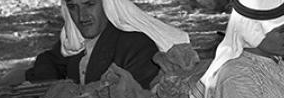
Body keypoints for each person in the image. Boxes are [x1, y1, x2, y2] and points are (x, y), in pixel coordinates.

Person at [25, 0, 191, 90]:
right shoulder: (76, 42)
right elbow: (49, 61)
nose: (82, 17)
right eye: (73, 7)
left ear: (107, 4)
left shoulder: (136, 45)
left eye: (90, 4)